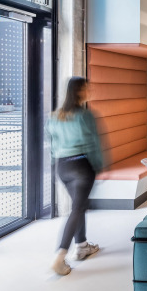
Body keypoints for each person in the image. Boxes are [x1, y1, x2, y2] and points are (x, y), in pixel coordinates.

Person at [45, 77, 103, 275]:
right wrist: (99, 166)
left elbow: (52, 144)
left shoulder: (55, 116)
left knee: (79, 205)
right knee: (77, 208)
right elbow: (93, 144)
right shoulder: (85, 116)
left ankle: (82, 245)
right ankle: (60, 255)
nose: (89, 91)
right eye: (87, 88)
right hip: (81, 165)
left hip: (62, 166)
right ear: (79, 91)